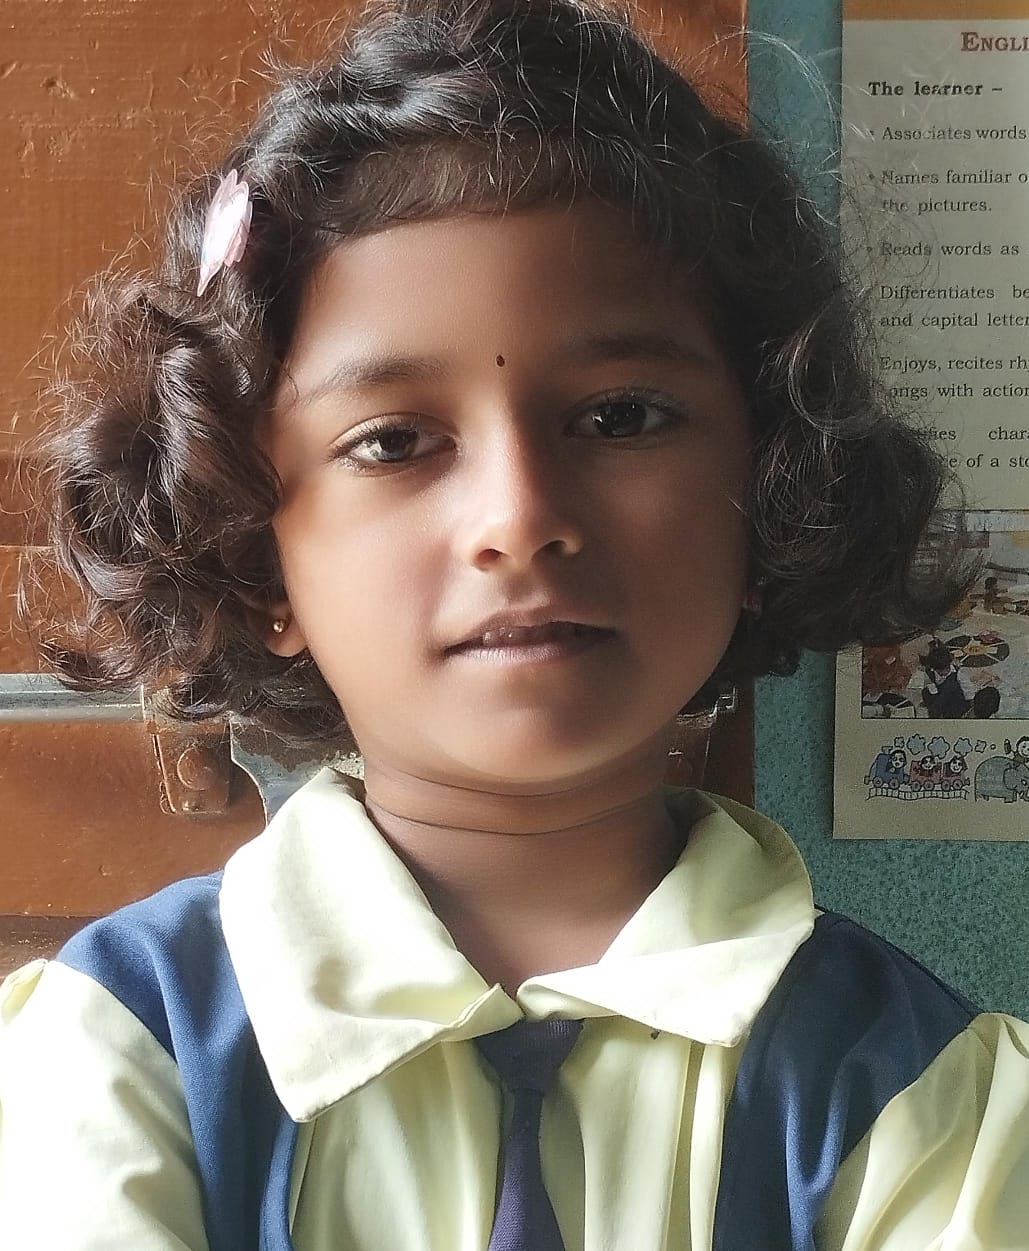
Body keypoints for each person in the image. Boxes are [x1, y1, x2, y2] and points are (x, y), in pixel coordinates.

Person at [2, 0, 1027, 1247]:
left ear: (770, 493)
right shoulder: (113, 1058)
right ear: (258, 560)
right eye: (394, 442)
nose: (520, 519)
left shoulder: (930, 1097)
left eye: (620, 418)